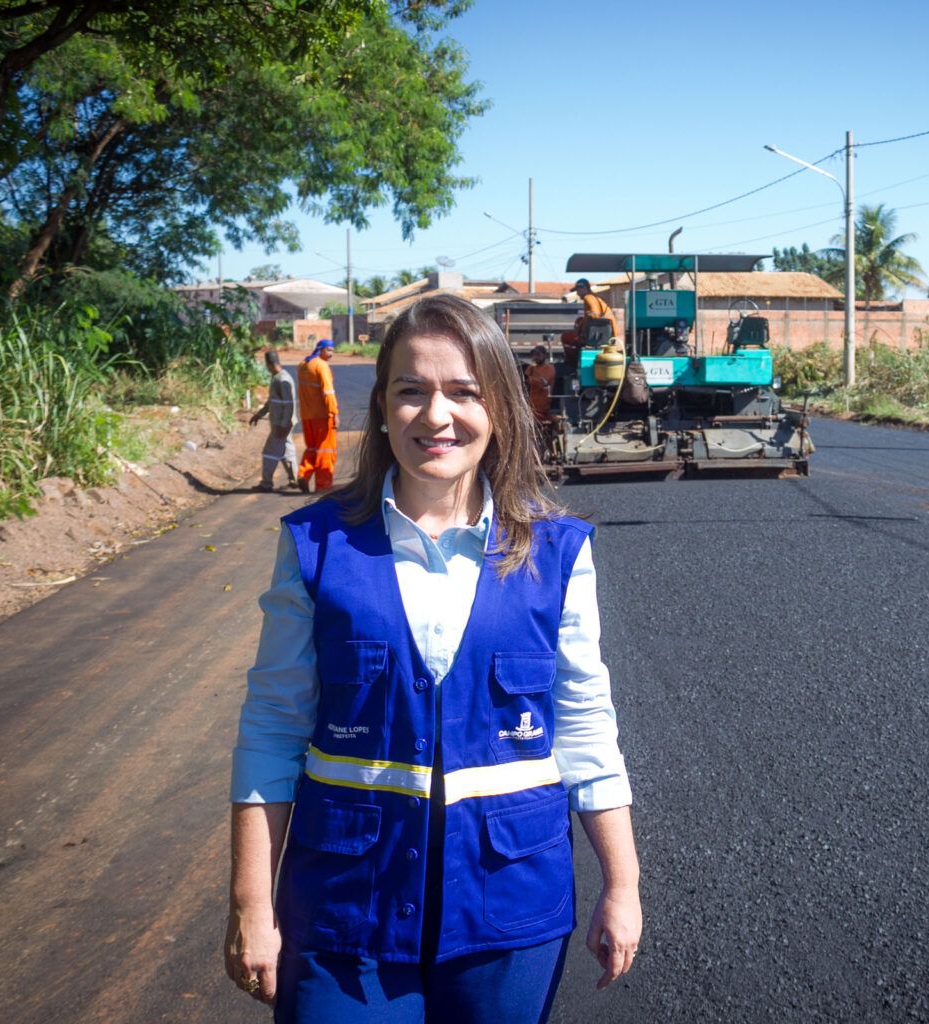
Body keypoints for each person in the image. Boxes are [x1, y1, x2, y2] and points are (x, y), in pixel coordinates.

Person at [225, 294, 641, 1023]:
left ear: (501, 409)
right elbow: (272, 730)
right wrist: (252, 904)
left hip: (509, 916)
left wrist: (623, 884)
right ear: (382, 406)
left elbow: (585, 726)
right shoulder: (315, 545)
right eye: (411, 390)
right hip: (343, 916)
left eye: (464, 392)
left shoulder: (559, 551)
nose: (436, 415)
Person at [250, 349, 299, 491]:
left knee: (269, 452)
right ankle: (295, 480)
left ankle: (266, 484)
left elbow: (289, 405)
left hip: (282, 425)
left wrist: (283, 426)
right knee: (286, 451)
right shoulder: (277, 377)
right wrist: (259, 414)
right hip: (282, 424)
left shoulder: (282, 379)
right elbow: (272, 402)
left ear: (269, 364)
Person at [297, 338, 338, 493]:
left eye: (332, 350)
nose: (331, 354)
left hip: (307, 417)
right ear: (320, 350)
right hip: (322, 417)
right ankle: (323, 485)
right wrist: (333, 413)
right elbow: (328, 392)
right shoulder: (321, 366)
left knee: (312, 448)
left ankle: (303, 474)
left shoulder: (302, 365)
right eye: (329, 350)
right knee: (325, 451)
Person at [522, 344, 556, 425]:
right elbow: (523, 380)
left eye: (538, 355)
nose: (536, 357)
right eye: (534, 355)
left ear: (544, 356)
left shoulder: (549, 369)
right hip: (531, 405)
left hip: (542, 405)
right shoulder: (531, 368)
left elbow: (543, 383)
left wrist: (530, 379)